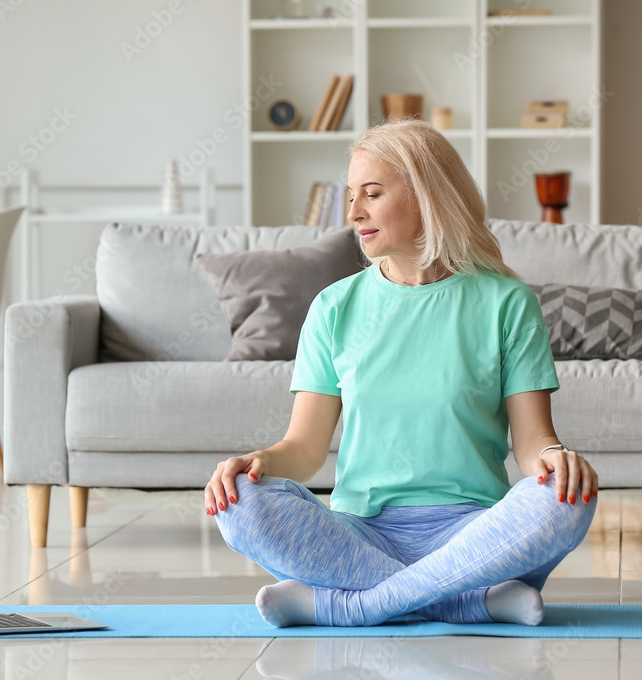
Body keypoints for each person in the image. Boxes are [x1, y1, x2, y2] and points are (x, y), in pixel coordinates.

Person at [203, 118, 599, 629]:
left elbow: (532, 443)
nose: (353, 212)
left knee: (567, 498)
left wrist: (556, 459)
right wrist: (253, 463)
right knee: (241, 503)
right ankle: (467, 601)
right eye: (351, 196)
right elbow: (302, 450)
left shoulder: (506, 302)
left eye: (371, 193)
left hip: (472, 534)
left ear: (425, 196)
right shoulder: (333, 308)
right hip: (361, 535)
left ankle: (346, 605)